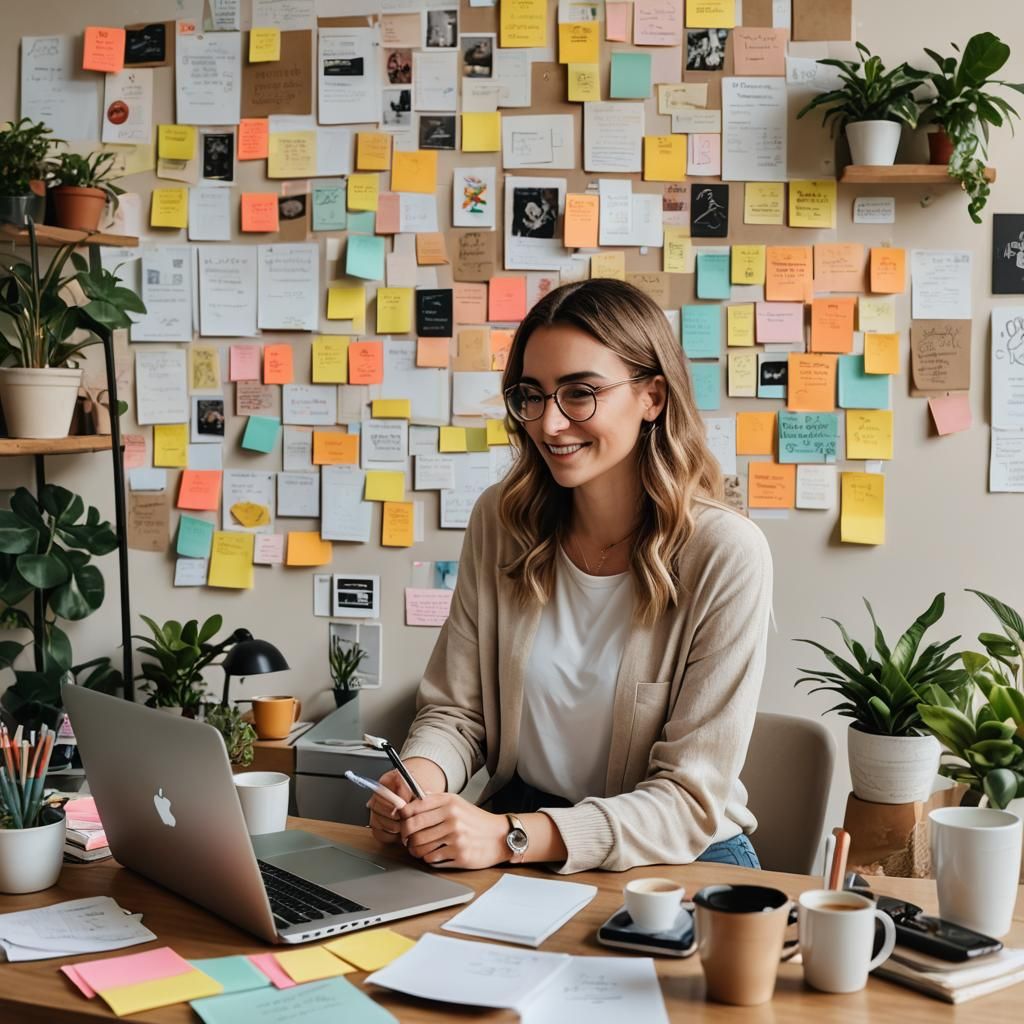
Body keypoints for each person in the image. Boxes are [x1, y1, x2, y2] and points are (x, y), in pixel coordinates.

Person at [367, 279, 773, 874]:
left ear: (652, 396)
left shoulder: (727, 553)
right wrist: (419, 782)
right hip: (515, 828)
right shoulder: (501, 521)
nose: (550, 424)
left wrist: (510, 835)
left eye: (580, 393)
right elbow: (457, 712)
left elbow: (690, 798)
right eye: (533, 395)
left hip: (675, 856)